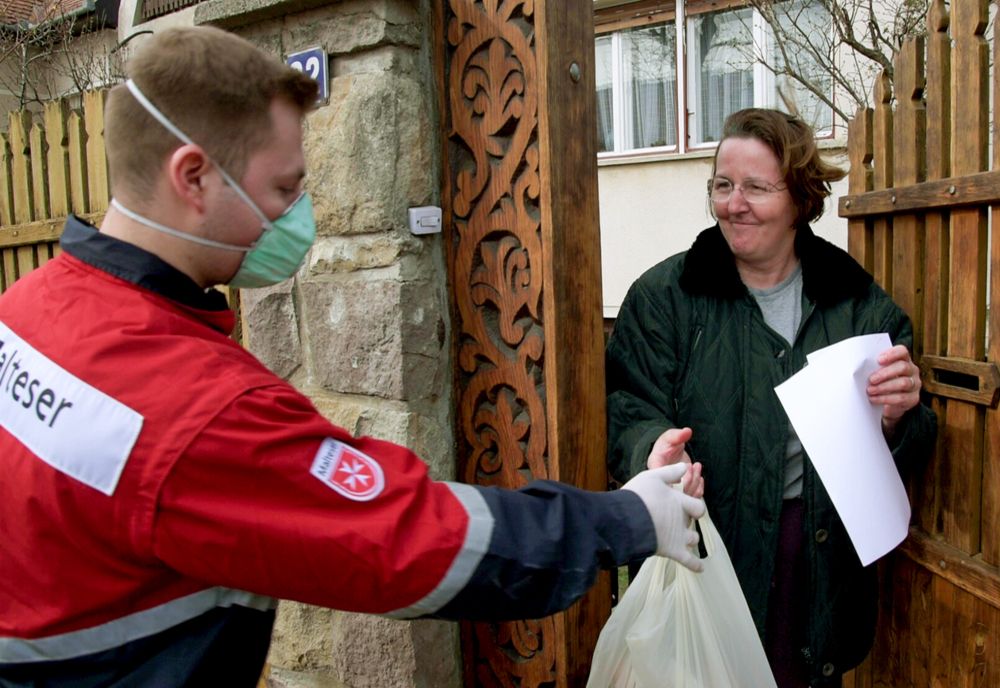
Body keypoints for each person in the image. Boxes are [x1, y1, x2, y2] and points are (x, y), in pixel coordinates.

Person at [0, 26, 707, 686]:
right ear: (192, 177)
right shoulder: (197, 409)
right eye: (282, 188)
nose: (294, 213)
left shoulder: (25, 310)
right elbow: (412, 544)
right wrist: (628, 519)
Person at [606, 108, 936, 688]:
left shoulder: (858, 303)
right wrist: (651, 449)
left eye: (756, 187)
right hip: (708, 547)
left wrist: (897, 417)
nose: (735, 203)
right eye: (723, 185)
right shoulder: (666, 297)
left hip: (815, 557)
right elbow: (627, 407)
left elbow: (909, 448)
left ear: (801, 199)